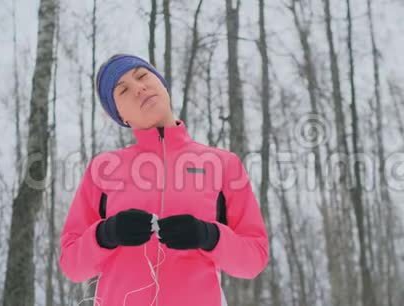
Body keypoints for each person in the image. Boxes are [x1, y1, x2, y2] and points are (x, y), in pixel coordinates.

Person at [59, 54, 269, 306]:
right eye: (123, 90)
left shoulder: (224, 165)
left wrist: (209, 235)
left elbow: (254, 258)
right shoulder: (103, 169)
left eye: (142, 76)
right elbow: (72, 264)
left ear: (162, 84)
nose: (138, 88)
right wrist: (106, 233)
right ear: (121, 116)